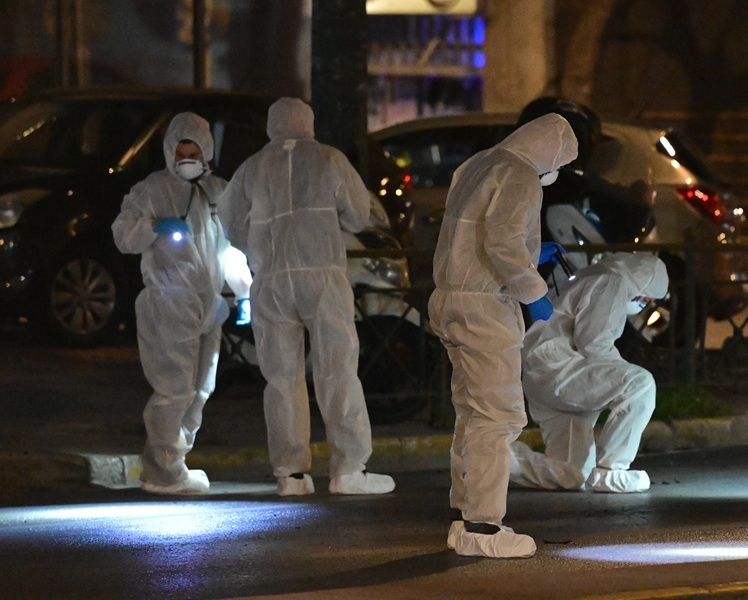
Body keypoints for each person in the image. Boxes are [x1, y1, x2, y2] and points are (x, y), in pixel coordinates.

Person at [217, 97, 394, 497]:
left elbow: (230, 221)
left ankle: (291, 474)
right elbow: (358, 215)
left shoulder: (252, 167)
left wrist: (258, 249)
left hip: (272, 280)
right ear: (309, 122)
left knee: (281, 380)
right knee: (337, 371)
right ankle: (349, 469)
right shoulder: (329, 159)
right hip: (323, 275)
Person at [429, 113, 578, 558]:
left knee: (471, 413)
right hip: (485, 307)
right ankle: (484, 527)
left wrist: (533, 253)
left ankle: (464, 519)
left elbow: (474, 232)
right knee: (498, 415)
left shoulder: (479, 163)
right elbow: (503, 241)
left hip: (451, 297)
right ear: (551, 152)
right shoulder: (520, 173)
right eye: (560, 164)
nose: (557, 172)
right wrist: (534, 292)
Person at [112, 112, 253, 495]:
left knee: (200, 389)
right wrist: (151, 226)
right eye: (181, 152)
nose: (187, 159)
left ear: (206, 150)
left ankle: (175, 462)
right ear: (169, 151)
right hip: (169, 301)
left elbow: (229, 249)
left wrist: (244, 292)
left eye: (194, 152)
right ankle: (162, 471)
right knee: (173, 389)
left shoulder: (219, 191)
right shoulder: (152, 190)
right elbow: (122, 236)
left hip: (209, 305)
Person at [511, 253, 668, 493]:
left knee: (570, 473)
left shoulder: (592, 274)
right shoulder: (610, 281)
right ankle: (610, 470)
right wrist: (618, 375)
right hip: (561, 372)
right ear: (641, 285)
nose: (643, 304)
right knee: (640, 384)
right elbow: (595, 343)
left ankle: (489, 457)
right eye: (646, 299)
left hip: (546, 377)